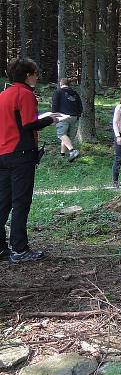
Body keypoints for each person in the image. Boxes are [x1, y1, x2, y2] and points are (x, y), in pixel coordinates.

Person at [0, 58, 68, 263]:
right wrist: (52, 118)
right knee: (21, 202)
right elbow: (29, 124)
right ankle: (20, 249)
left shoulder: (3, 95)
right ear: (27, 75)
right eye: (35, 73)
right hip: (21, 154)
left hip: (3, 154)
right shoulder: (25, 94)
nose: (37, 77)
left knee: (2, 202)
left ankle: (1, 248)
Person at [50, 77, 82, 161]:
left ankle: (72, 151)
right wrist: (78, 115)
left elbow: (54, 105)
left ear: (60, 84)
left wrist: (54, 116)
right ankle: (63, 155)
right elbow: (80, 106)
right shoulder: (75, 93)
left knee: (61, 134)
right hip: (74, 117)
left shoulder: (58, 92)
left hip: (62, 116)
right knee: (66, 137)